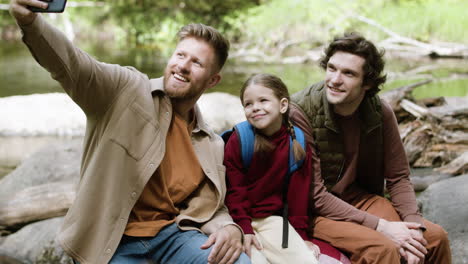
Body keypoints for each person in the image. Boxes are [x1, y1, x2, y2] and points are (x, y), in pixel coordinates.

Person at [9, 0, 250, 263]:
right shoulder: (126, 89)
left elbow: (209, 206)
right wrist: (30, 23)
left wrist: (230, 227)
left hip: (174, 237)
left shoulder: (211, 143)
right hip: (113, 242)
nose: (183, 66)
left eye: (197, 63)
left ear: (213, 80)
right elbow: (75, 65)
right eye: (180, 55)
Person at [289, 32, 452, 264]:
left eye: (348, 73)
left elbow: (398, 177)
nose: (335, 79)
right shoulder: (301, 112)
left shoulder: (379, 111)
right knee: (383, 248)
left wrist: (415, 225)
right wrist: (383, 226)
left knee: (434, 237)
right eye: (332, 68)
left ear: (367, 83)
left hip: (361, 199)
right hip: (315, 211)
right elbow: (315, 195)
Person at [224, 73, 350, 264]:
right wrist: (244, 227)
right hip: (237, 218)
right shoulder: (239, 140)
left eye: (263, 100)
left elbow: (297, 197)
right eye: (248, 104)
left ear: (283, 105)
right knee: (255, 261)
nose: (255, 107)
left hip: (273, 221)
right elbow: (235, 191)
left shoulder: (296, 142)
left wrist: (302, 237)